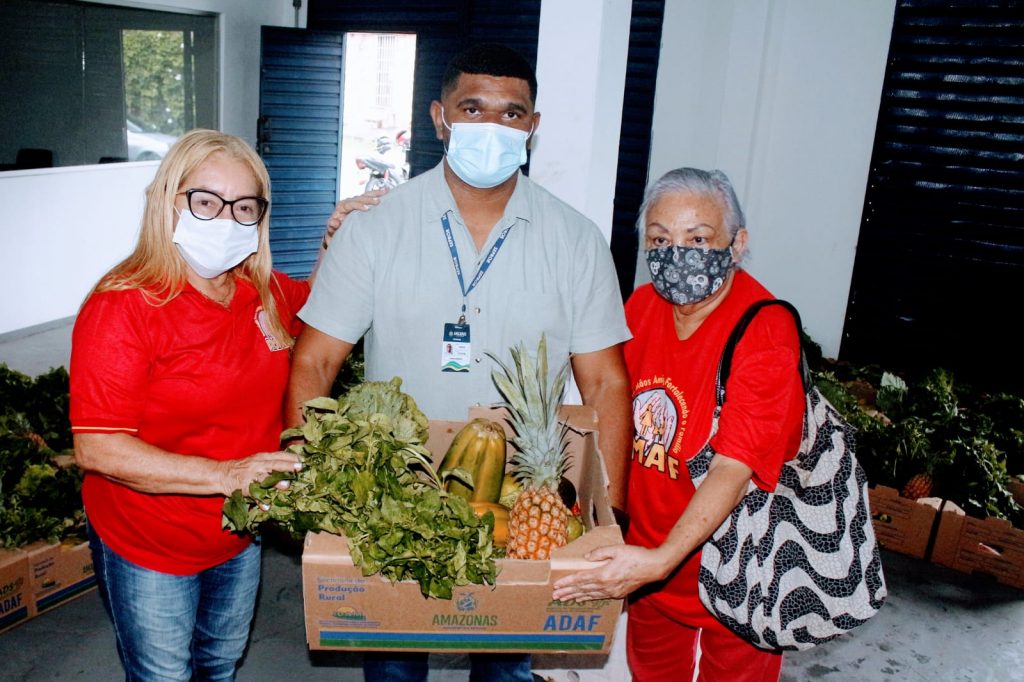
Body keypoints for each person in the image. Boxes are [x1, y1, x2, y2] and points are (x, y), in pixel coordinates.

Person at [287, 43, 632, 682]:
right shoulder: (376, 229)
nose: (491, 127)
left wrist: (607, 514)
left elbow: (606, 380)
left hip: (526, 501)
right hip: (393, 496)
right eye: (473, 108)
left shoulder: (576, 241)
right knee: (393, 669)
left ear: (532, 125)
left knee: (505, 673)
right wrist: (316, 478)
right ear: (440, 116)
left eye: (511, 113)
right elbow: (314, 362)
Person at [70, 129, 312, 681]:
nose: (225, 220)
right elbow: (98, 448)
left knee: (219, 666)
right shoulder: (125, 307)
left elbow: (329, 307)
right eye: (205, 202)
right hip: (150, 542)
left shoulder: (262, 291)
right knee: (164, 675)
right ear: (168, 202)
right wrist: (229, 474)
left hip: (236, 532)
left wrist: (342, 237)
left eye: (244, 207)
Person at [551, 168, 806, 682]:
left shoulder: (765, 328)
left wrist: (664, 558)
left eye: (698, 238)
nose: (677, 254)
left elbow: (734, 466)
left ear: (737, 244)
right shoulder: (643, 307)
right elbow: (610, 409)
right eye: (660, 239)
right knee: (652, 673)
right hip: (648, 559)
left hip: (735, 569)